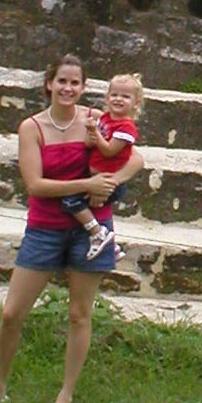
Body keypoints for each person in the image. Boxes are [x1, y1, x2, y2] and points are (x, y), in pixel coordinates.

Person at [0, 52, 143, 403]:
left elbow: (136, 158)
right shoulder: (31, 127)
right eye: (62, 81)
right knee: (11, 312)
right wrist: (88, 183)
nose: (68, 88)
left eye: (75, 83)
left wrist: (112, 184)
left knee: (79, 314)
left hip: (90, 228)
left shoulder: (95, 120)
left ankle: (64, 398)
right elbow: (35, 185)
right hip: (45, 227)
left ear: (83, 88)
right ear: (49, 83)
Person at [58, 71, 144, 261]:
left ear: (136, 103)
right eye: (114, 95)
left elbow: (108, 151)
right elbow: (91, 145)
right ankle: (111, 248)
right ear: (107, 97)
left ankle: (99, 234)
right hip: (94, 177)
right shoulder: (105, 118)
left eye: (125, 96)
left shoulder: (126, 127)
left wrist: (93, 130)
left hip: (107, 182)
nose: (118, 99)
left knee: (70, 202)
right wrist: (91, 136)